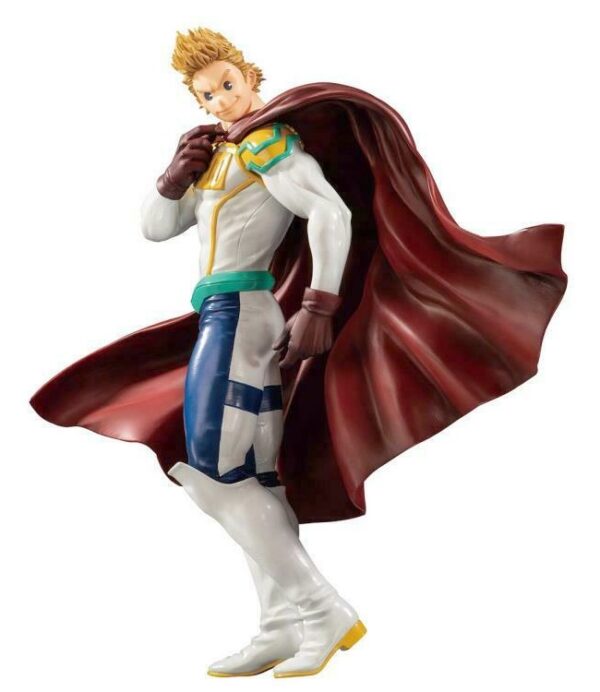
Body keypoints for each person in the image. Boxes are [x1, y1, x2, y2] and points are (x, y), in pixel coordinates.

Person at [30, 25, 567, 680]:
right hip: (226, 315)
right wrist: (172, 178)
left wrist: (319, 304)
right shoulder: (221, 156)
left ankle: (321, 608)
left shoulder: (267, 144)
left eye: (227, 83)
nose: (221, 99)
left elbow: (331, 214)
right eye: (207, 94)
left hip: (238, 316)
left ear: (251, 76)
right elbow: (155, 228)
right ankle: (280, 624)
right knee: (253, 476)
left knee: (211, 473)